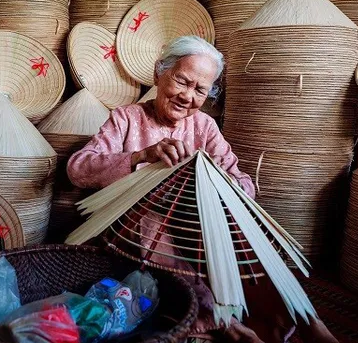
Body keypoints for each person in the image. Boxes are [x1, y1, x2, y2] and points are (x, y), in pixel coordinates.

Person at [66, 36, 338, 343]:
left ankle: (300, 317)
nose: (187, 96)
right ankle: (223, 323)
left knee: (248, 236)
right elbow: (78, 168)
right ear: (160, 73)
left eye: (200, 90)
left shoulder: (205, 127)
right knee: (156, 226)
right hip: (136, 229)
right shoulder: (127, 118)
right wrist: (142, 156)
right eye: (182, 81)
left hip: (199, 228)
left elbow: (244, 184)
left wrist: (220, 183)